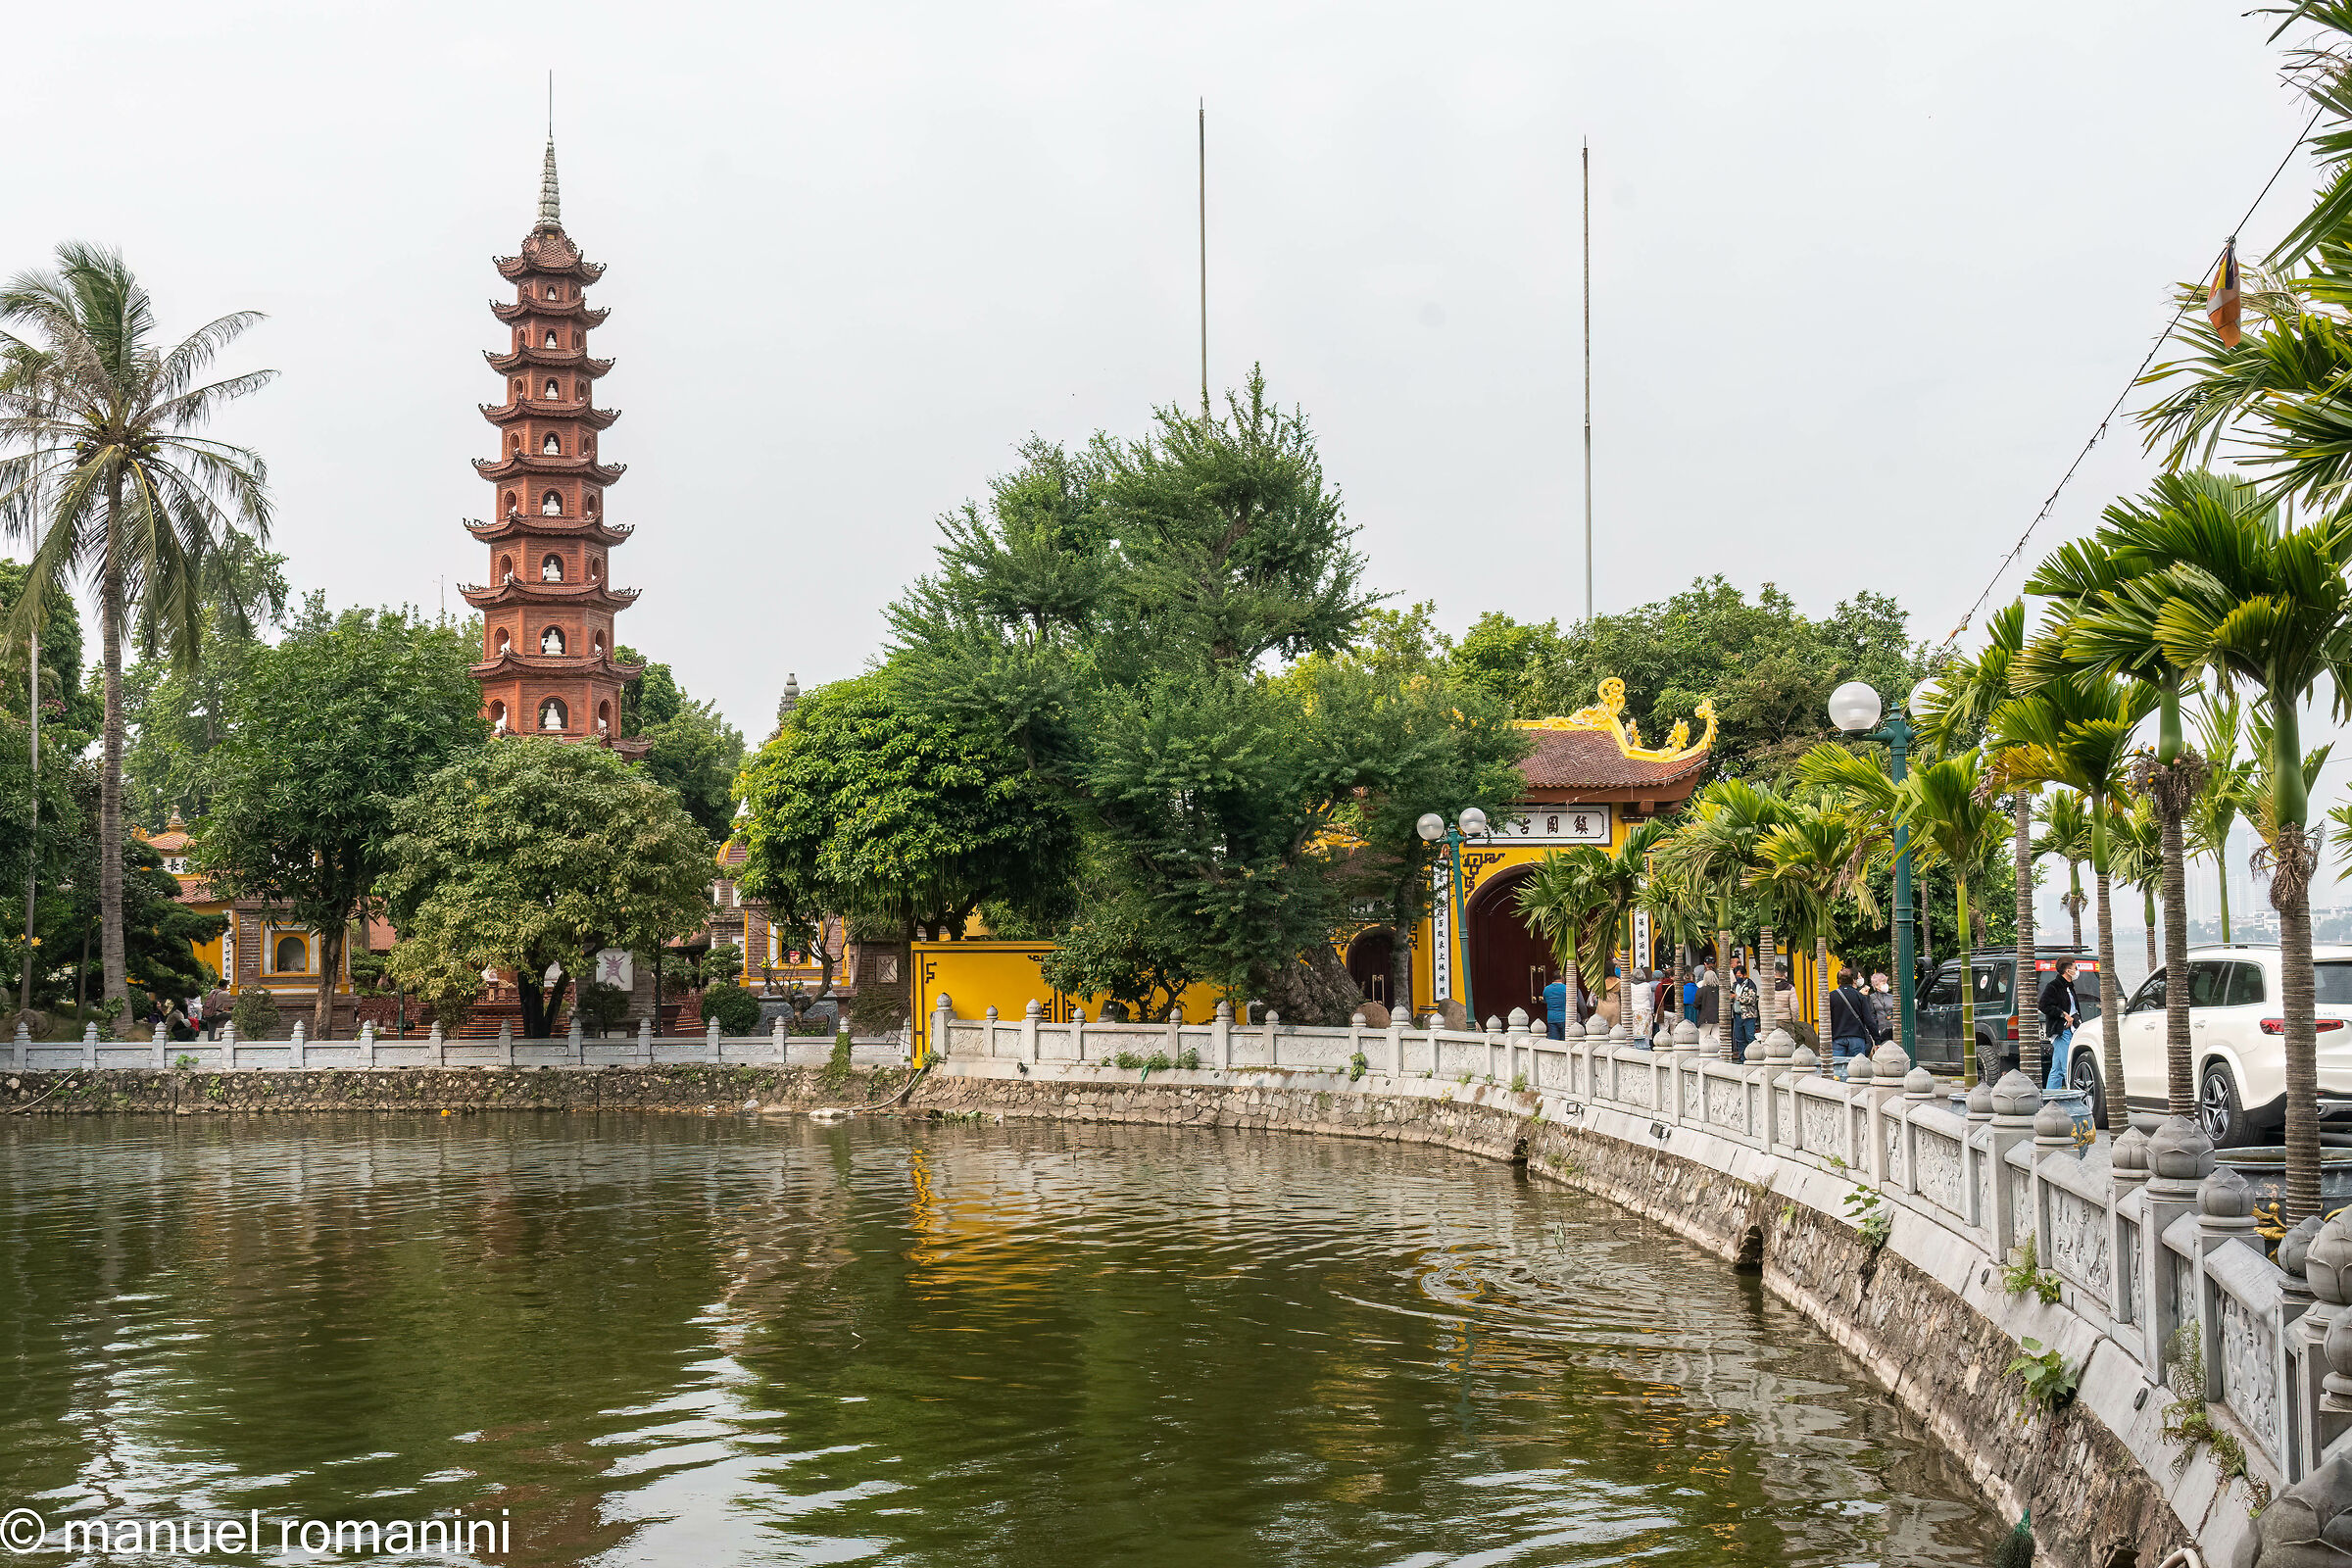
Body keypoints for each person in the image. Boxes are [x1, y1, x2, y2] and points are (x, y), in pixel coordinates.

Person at [2040, 958, 2082, 1093]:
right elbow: (2044, 1005)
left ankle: (2051, 1097)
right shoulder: (2053, 986)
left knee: (2056, 1069)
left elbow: (2074, 1008)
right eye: (2075, 968)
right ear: (2067, 970)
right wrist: (2063, 1014)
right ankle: (2073, 1096)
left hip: (2072, 1028)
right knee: (2067, 1066)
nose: (2077, 971)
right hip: (2061, 1029)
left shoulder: (2070, 987)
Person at [1828, 965, 1877, 1067]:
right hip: (1857, 1037)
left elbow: (1827, 1020)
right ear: (1853, 980)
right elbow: (1869, 1020)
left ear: (1838, 981)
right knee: (1857, 1069)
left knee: (1838, 1068)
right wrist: (1877, 1040)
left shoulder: (1831, 996)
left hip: (1837, 1038)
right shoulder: (1859, 996)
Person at [1731, 962, 1759, 1055]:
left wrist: (1737, 997)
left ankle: (1754, 1055)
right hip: (1737, 1015)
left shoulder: (1750, 984)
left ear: (1745, 975)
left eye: (1740, 975)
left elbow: (1751, 999)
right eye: (1736, 975)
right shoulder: (1735, 985)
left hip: (1748, 1015)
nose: (1738, 977)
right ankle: (1742, 1057)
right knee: (1739, 1038)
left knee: (1750, 1036)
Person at [1867, 971, 1897, 1046]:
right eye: (1883, 983)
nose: (1885, 985)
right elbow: (1872, 1015)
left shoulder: (1891, 997)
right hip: (1880, 1029)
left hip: (1892, 1028)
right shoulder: (1872, 998)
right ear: (1876, 985)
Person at [1543, 972, 1569, 1040]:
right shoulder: (1567, 988)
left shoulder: (1546, 989)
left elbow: (1545, 1000)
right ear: (1562, 978)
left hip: (1551, 1018)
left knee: (1553, 1042)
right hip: (1564, 1017)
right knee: (1565, 1040)